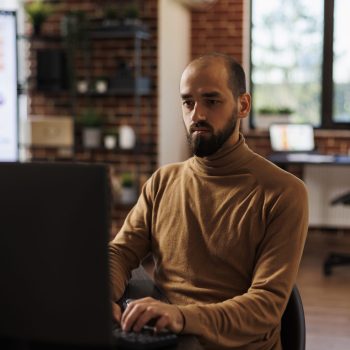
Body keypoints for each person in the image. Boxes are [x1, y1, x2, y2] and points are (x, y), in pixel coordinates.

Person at [109, 53, 309, 350]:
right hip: (167, 339)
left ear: (243, 105)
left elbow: (265, 306)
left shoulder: (283, 192)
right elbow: (120, 253)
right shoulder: (163, 182)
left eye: (212, 101)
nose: (196, 115)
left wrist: (182, 316)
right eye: (188, 102)